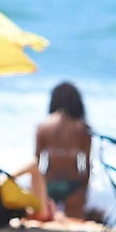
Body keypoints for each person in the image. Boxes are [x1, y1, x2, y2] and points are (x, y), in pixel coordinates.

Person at [34, 82, 97, 220]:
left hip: (49, 183)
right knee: (74, 221)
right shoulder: (83, 129)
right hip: (73, 184)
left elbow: (36, 161)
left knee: (48, 220)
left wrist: (37, 189)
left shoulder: (43, 127)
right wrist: (84, 189)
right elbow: (87, 163)